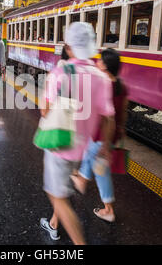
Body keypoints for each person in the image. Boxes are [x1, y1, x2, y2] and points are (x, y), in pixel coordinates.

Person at [39, 22, 115, 245]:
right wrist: (104, 147)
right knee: (61, 190)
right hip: (82, 149)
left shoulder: (60, 71)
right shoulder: (102, 77)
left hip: (58, 145)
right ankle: (54, 223)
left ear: (68, 47)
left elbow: (44, 111)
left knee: (58, 197)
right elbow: (108, 118)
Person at [70, 48, 128, 223]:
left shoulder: (104, 85)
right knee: (92, 159)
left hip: (101, 136)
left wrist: (104, 143)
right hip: (111, 135)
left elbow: (104, 117)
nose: (98, 62)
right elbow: (123, 112)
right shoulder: (121, 85)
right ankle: (81, 179)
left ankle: (108, 209)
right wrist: (120, 130)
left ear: (106, 65)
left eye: (101, 60)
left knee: (101, 171)